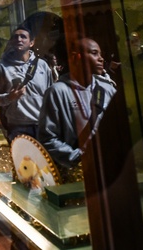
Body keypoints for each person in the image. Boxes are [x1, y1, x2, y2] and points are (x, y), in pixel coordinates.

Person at [37, 37, 116, 182]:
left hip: (110, 167)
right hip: (78, 174)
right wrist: (77, 158)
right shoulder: (57, 92)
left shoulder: (107, 89)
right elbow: (47, 137)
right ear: (75, 57)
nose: (101, 59)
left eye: (100, 54)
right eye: (94, 53)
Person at [0, 26, 54, 143]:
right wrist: (9, 97)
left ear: (31, 43)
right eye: (15, 37)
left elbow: (50, 96)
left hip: (42, 125)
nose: (19, 39)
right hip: (17, 126)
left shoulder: (42, 65)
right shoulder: (2, 66)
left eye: (23, 37)